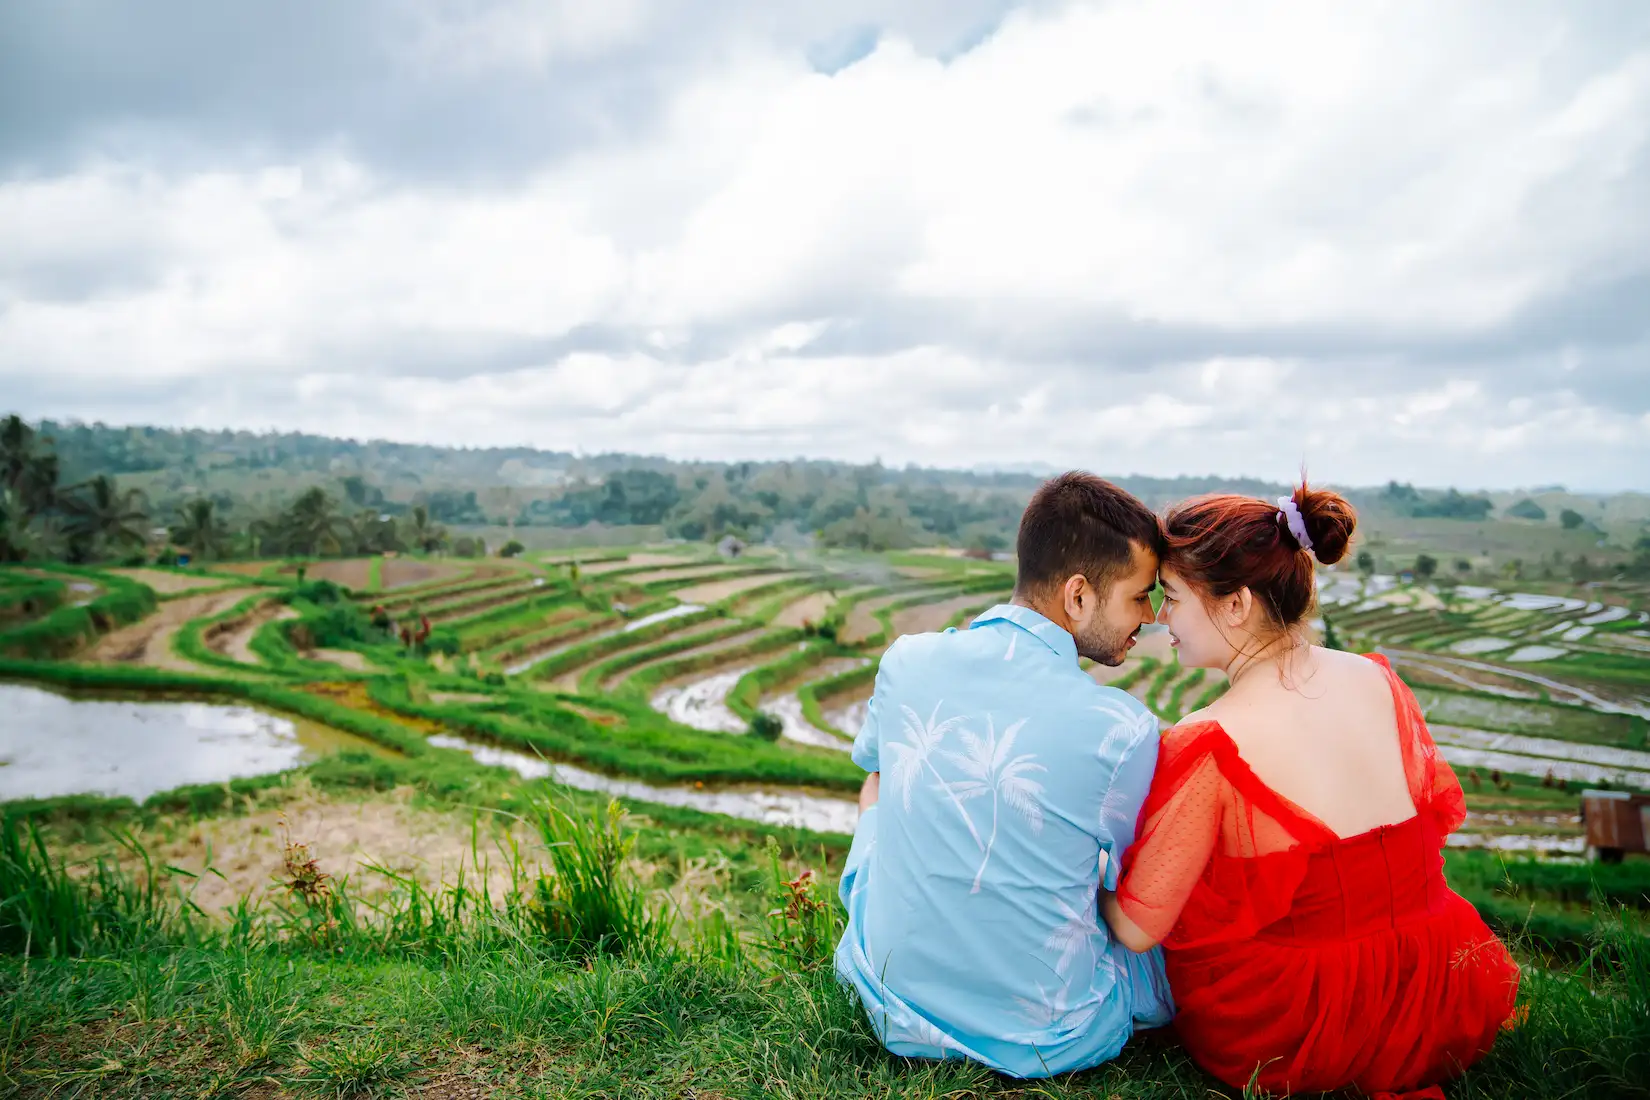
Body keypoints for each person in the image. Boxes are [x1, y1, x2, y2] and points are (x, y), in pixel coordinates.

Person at [1102, 484, 1520, 1097]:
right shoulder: (1377, 679)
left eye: (1175, 597)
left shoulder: (1211, 739)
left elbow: (1139, 929)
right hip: (1438, 980)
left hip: (1304, 1021)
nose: (1163, 618)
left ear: (1237, 603)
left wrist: (1078, 880)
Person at [835, 472, 1175, 1077]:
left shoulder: (907, 660)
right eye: (1138, 595)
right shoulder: (1120, 728)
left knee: (884, 795)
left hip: (893, 1002)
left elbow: (876, 784)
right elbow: (1130, 894)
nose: (1148, 617)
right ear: (1078, 596)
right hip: (1052, 1037)